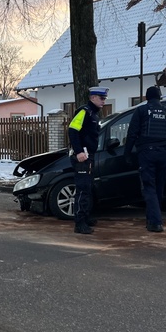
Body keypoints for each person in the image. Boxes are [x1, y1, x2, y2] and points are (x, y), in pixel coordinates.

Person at [124, 85, 166, 232]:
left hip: (147, 154)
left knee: (149, 188)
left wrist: (127, 154)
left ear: (147, 98)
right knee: (159, 188)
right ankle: (151, 219)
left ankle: (156, 222)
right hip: (164, 154)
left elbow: (132, 134)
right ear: (160, 97)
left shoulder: (141, 111)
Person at [67, 86, 108, 234]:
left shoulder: (93, 114)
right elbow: (72, 130)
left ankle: (85, 217)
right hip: (82, 156)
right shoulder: (84, 112)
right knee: (83, 189)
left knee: (88, 188)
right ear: (92, 98)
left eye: (105, 99)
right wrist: (78, 151)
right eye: (101, 98)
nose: (104, 101)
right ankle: (79, 223)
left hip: (88, 155)